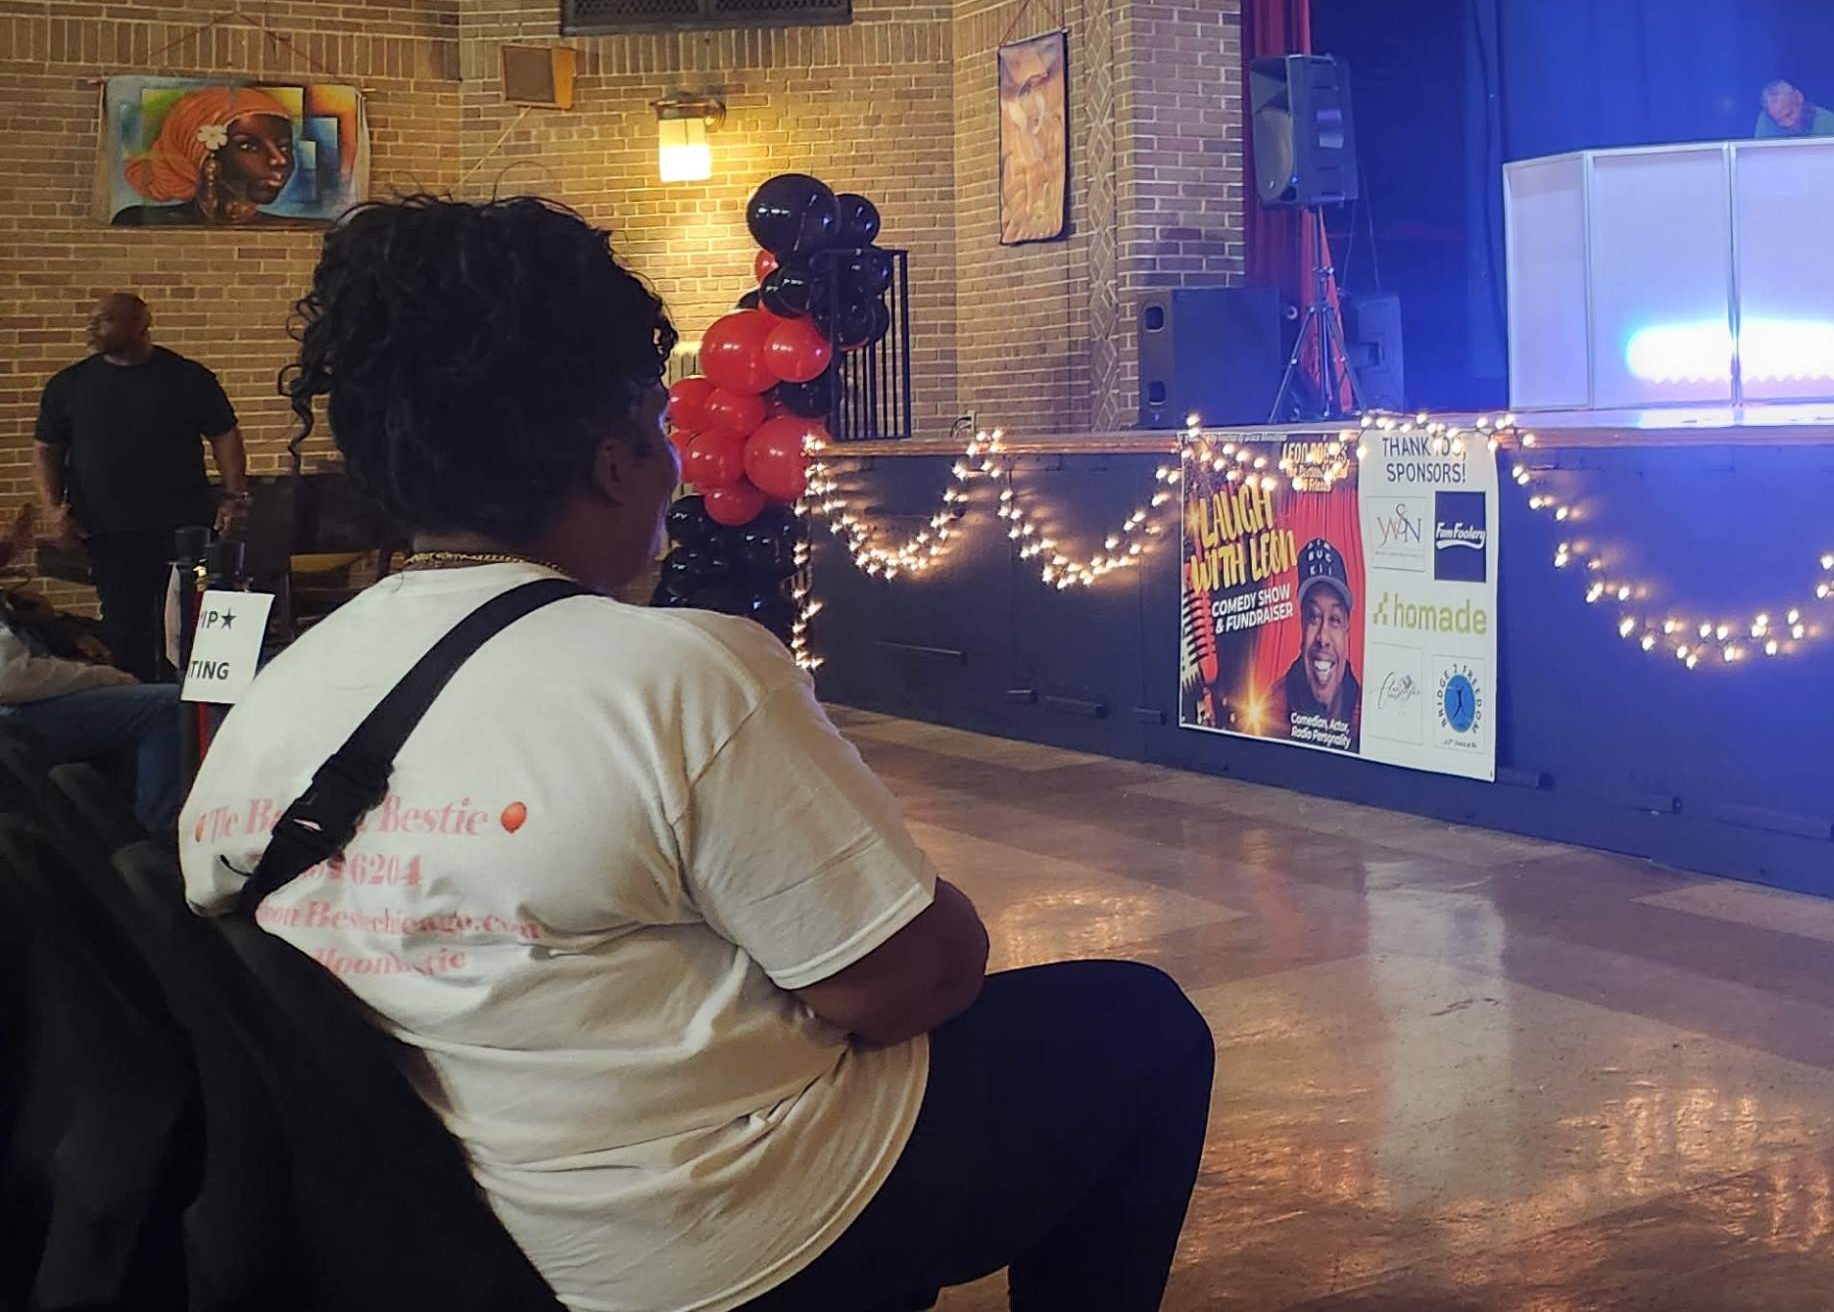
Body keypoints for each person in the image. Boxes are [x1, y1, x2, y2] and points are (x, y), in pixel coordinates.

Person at [182, 196, 1212, 1312]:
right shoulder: (681, 671)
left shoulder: (282, 691)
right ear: (621, 460)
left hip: (435, 1232)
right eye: (660, 425)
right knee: (1141, 1028)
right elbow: (911, 979)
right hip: (703, 1246)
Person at [34, 291, 248, 678]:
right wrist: (53, 508)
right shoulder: (69, 385)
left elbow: (225, 435)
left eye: (103, 319)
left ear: (139, 323)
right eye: (92, 318)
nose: (91, 327)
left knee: (191, 621)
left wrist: (233, 496)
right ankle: (142, 705)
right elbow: (46, 450)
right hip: (109, 528)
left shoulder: (187, 378)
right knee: (124, 625)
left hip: (183, 525)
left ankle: (198, 709)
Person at [0, 506, 189, 834]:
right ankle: (158, 837)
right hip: (15, 721)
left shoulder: (13, 599)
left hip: (20, 710)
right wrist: (100, 677)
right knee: (165, 705)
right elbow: (12, 678)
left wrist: (56, 624)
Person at [113, 82, 302, 226]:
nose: (280, 160)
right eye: (249, 147)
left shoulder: (302, 229)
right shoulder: (135, 220)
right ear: (200, 154)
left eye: (285, 147)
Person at [1281, 537, 1361, 748]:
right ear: (1301, 624)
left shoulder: (1367, 716)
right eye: (1313, 617)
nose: (1323, 638)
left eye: (1334, 619)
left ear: (1347, 630)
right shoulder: (1270, 714)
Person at [1754, 78, 1834, 138]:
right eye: (1779, 121)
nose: (1788, 124)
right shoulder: (1765, 122)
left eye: (1789, 114)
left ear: (1798, 97)